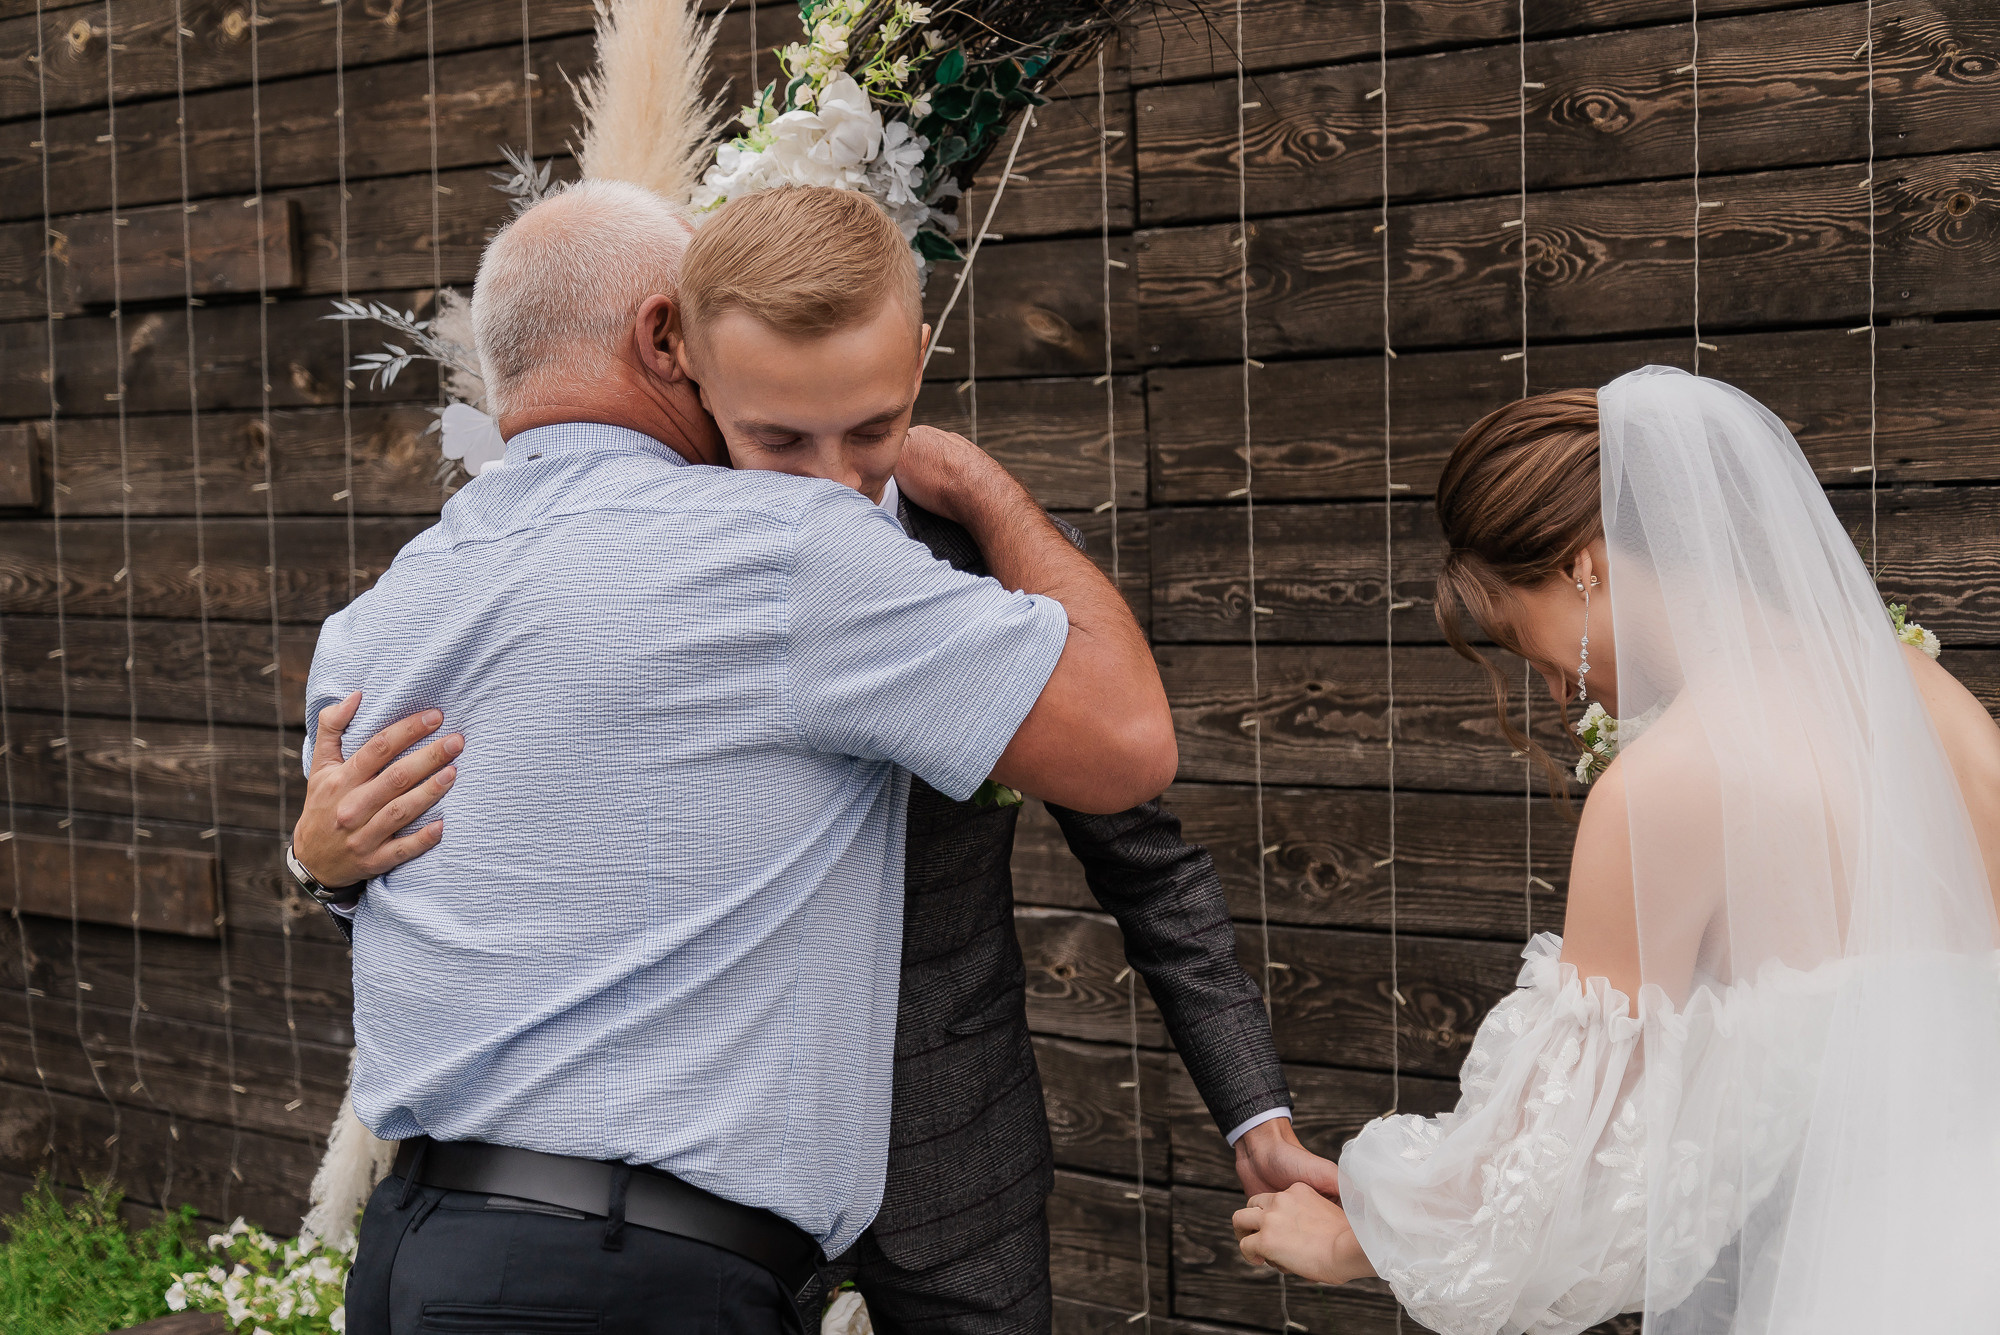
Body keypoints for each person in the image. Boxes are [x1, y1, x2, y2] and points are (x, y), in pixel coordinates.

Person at [296, 183, 1336, 1335]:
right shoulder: (724, 558)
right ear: (682, 356)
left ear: (918, 369)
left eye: (872, 432)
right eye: (779, 437)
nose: (832, 482)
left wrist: (1254, 1111)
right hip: (681, 1215)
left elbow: (1143, 848)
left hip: (938, 1157)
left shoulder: (995, 567)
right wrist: (326, 866)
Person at [1233, 368, 2000, 1334]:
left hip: (1848, 1288)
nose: (1559, 692)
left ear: (1581, 564)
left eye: (1526, 639)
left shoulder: (1668, 784)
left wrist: (1362, 1238)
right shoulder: (1939, 703)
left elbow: (1575, 1154)